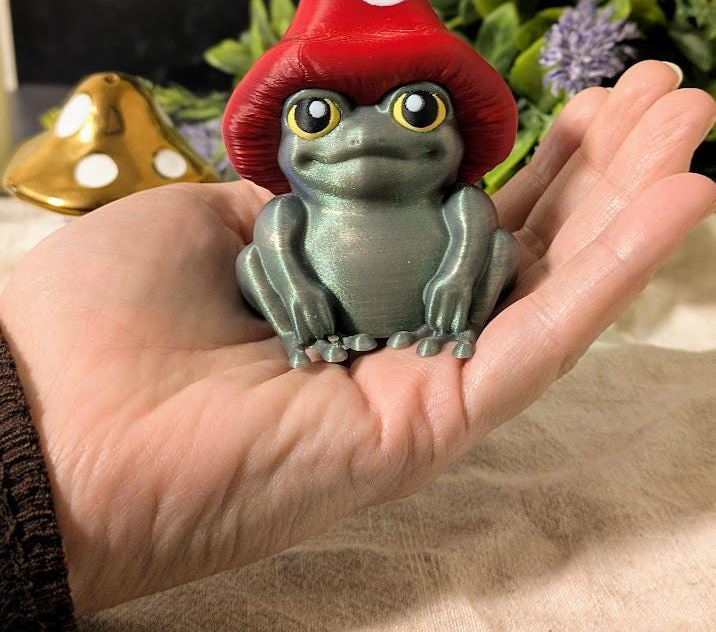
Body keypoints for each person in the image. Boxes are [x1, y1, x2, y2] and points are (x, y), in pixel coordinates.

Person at [0, 60, 714, 630]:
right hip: (317, 329)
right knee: (254, 260)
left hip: (438, 320)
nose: (366, 132)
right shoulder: (284, 212)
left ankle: (444, 326)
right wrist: (301, 302)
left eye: (415, 109)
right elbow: (267, 261)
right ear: (286, 143)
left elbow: (479, 248)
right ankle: (324, 329)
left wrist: (461, 283)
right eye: (319, 115)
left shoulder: (462, 201)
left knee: (498, 248)